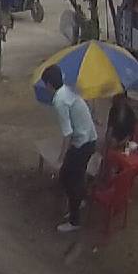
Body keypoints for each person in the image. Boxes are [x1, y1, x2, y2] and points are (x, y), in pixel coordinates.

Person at [41, 64, 98, 233]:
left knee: (67, 177)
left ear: (49, 84)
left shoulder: (59, 100)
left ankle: (74, 220)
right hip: (90, 139)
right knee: (77, 176)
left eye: (45, 85)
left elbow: (67, 133)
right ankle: (80, 201)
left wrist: (61, 158)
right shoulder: (67, 90)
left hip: (82, 143)